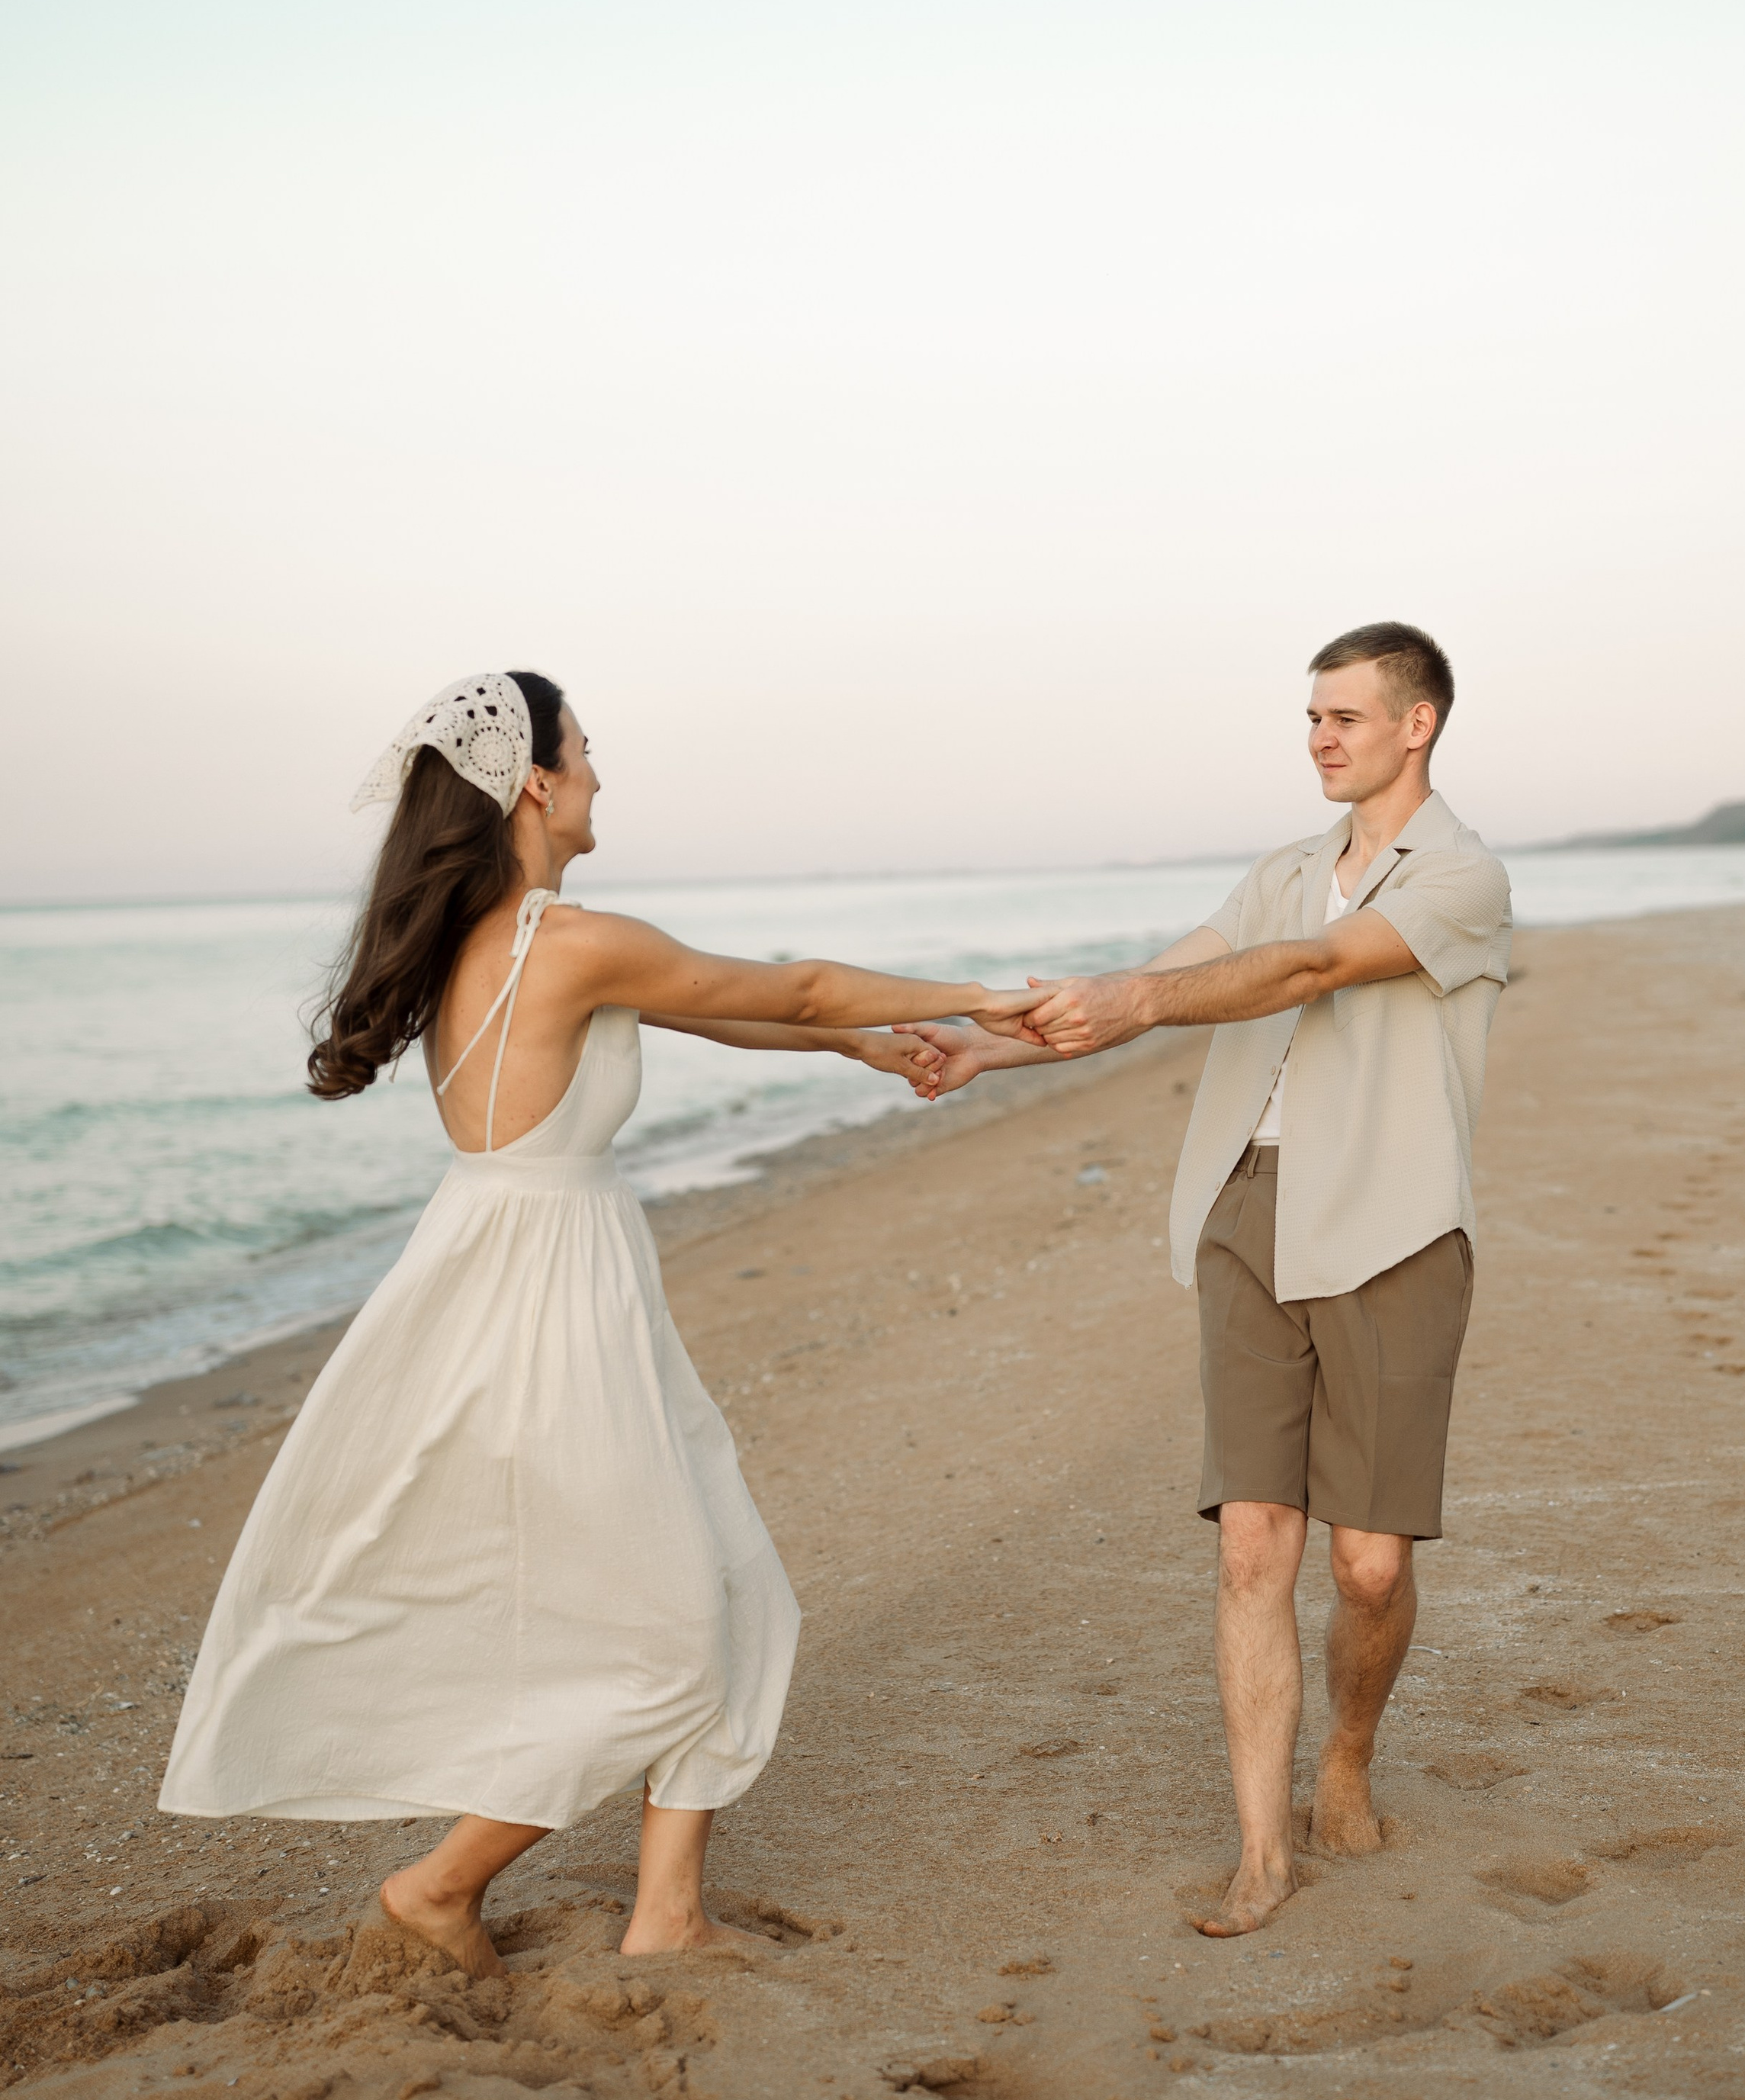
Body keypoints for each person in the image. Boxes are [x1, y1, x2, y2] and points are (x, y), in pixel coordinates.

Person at [159, 671, 1024, 1976]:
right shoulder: (565, 940)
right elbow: (785, 988)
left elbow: (716, 1009)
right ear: (537, 784)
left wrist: (859, 1051)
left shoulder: (508, 947)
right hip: (547, 1302)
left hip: (524, 1272)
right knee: (665, 1620)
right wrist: (979, 995)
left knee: (725, 1576)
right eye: (588, 751)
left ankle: (666, 1914)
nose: (604, 775)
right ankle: (440, 1888)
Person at [901, 623, 1511, 1938]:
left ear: (1421, 725)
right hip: (1249, 1207)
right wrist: (979, 1050)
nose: (1321, 738)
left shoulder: (1462, 875)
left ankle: (1345, 1758)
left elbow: (1302, 973)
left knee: (1366, 1570)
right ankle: (1259, 1851)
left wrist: (1139, 1003)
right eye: (1311, 716)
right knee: (1254, 1544)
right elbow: (1171, 978)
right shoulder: (1283, 867)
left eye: (1347, 716)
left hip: (1391, 1227)